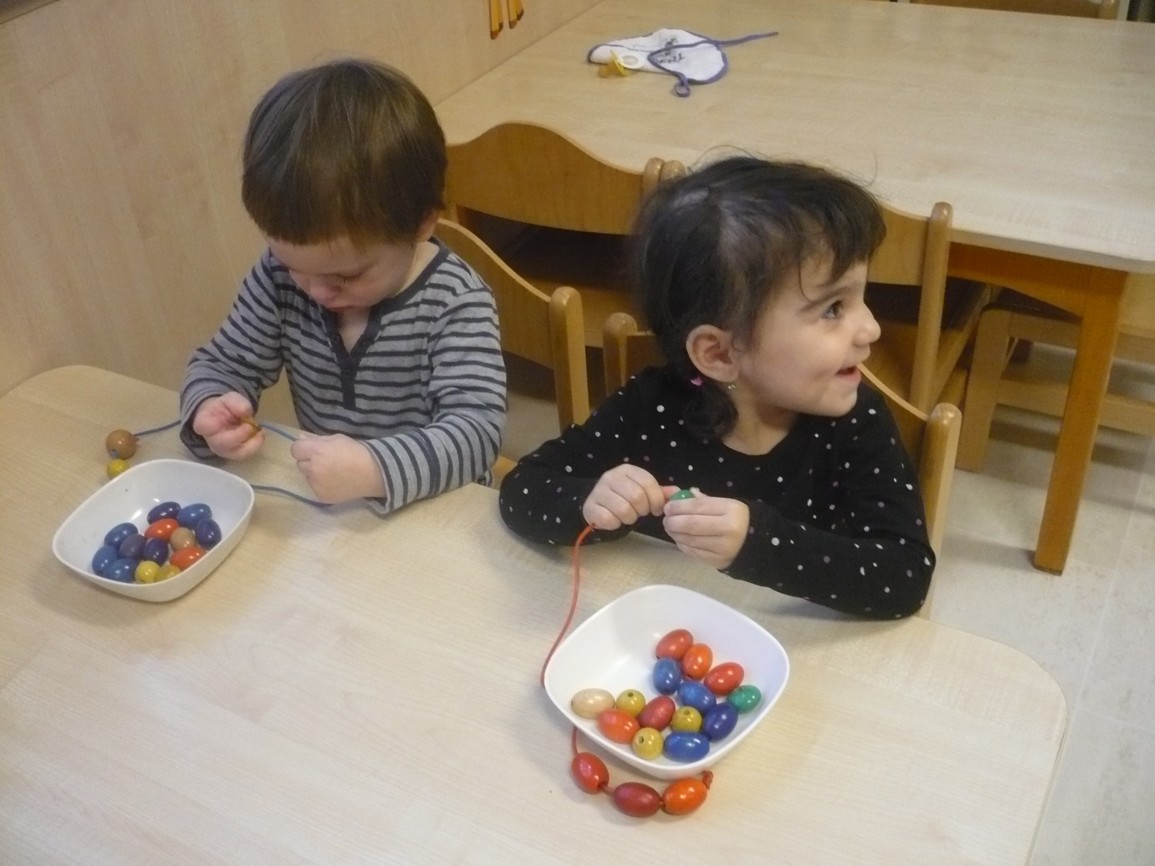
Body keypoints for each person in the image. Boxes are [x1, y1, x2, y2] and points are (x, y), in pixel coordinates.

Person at [498, 156, 933, 618]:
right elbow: (522, 490)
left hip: (794, 642)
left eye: (860, 298)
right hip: (665, 629)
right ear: (720, 354)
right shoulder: (652, 407)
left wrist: (758, 543)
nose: (870, 329)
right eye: (833, 309)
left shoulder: (856, 420)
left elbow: (905, 577)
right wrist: (591, 503)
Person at [180, 59, 505, 511]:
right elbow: (225, 362)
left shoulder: (455, 301)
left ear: (422, 224)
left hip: (437, 514)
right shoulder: (277, 277)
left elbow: (477, 434)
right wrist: (210, 408)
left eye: (346, 276)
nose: (315, 291)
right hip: (337, 516)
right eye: (294, 265)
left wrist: (374, 469)